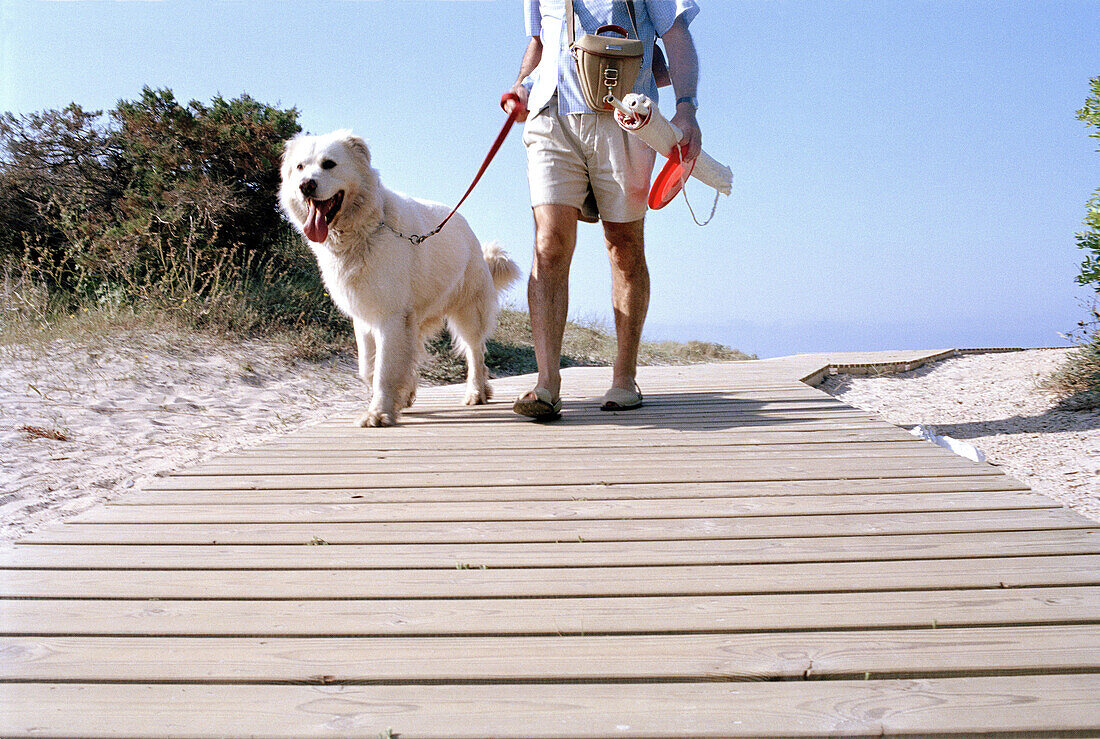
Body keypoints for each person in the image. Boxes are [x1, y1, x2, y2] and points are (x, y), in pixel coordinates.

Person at [505, 0, 702, 420]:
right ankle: (546, 383)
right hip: (551, 115)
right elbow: (539, 41)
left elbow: (677, 36)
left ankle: (625, 375)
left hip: (628, 117)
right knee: (549, 242)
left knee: (623, 246)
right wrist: (521, 85)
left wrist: (686, 107)